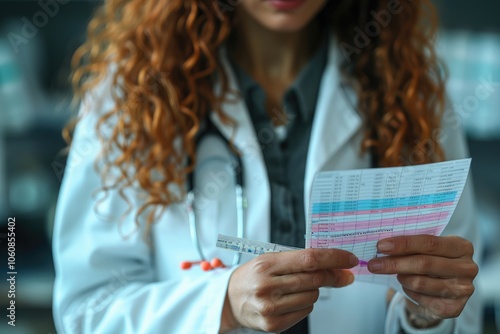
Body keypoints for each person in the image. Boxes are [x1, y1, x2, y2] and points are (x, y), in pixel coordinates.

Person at [52, 0, 481, 333]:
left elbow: (463, 303)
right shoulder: (130, 97)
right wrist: (221, 304)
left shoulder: (413, 95)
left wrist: (427, 315)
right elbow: (86, 310)